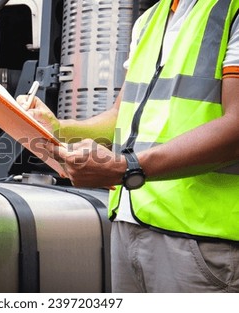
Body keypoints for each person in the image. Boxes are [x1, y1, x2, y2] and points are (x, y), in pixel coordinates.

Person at [17, 0, 239, 292]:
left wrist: (127, 168)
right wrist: (56, 128)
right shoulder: (149, 20)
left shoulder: (230, 11)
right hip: (129, 227)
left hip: (200, 241)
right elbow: (121, 117)